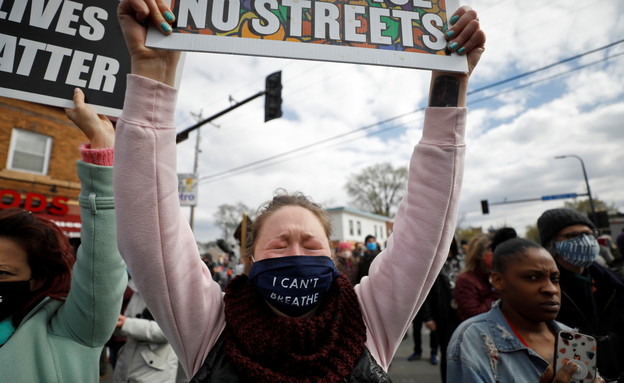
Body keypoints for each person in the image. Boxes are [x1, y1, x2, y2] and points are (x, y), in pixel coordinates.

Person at [113, 0, 485, 381]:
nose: (295, 254)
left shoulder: (370, 318)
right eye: (278, 245)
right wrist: (152, 77)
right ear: (250, 258)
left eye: (310, 245)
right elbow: (149, 230)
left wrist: (449, 81)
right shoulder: (207, 324)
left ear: (333, 256)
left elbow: (425, 229)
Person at [0, 89, 127, 381]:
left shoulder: (70, 328)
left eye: (3, 273)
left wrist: (102, 146)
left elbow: (102, 264)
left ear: (38, 278)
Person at [447, 238, 604, 383]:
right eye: (532, 277)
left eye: (555, 279)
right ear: (498, 281)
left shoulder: (573, 340)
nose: (550, 289)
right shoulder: (473, 341)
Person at [537, 208, 624, 382]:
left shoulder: (614, 282)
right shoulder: (546, 290)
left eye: (588, 233)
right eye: (571, 236)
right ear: (553, 244)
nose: (584, 240)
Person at [113, 276, 179, 383]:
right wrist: (118, 324)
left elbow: (168, 332)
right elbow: (127, 320)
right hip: (126, 365)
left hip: (155, 372)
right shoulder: (137, 289)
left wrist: (127, 324)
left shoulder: (173, 292)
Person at [453, 233, 499, 321]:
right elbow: (473, 316)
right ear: (479, 255)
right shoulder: (465, 280)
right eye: (491, 250)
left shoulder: (492, 275)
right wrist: (498, 291)